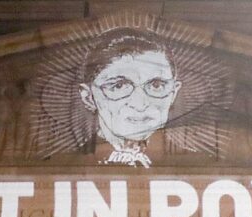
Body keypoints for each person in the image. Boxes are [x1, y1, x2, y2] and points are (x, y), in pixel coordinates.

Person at [77, 28, 181, 167]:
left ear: (173, 93)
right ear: (89, 97)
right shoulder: (66, 165)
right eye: (119, 86)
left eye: (156, 85)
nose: (140, 104)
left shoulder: (195, 165)